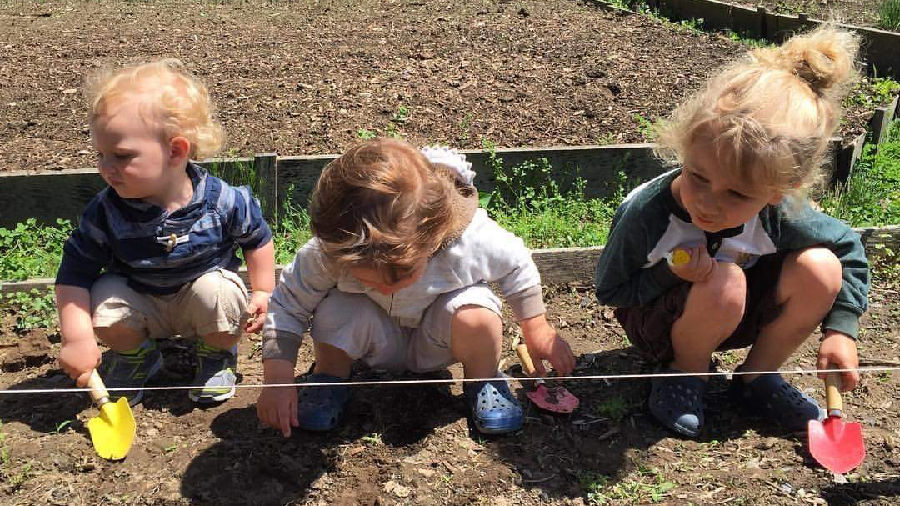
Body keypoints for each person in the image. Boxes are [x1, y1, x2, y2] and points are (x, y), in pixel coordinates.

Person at [594, 27, 869, 437]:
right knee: (724, 280)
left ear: (778, 192)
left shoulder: (780, 215)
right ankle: (684, 374)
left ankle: (757, 378)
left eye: (737, 193)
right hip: (658, 323)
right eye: (698, 176)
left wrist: (841, 330)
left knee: (822, 268)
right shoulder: (647, 215)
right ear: (685, 152)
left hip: (734, 314)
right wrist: (670, 274)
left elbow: (847, 246)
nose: (708, 202)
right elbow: (611, 291)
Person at [257, 138, 575, 437]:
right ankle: (329, 378)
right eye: (365, 278)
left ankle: (483, 379)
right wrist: (277, 378)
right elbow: (288, 304)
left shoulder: (470, 239)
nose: (382, 288)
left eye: (398, 276)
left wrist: (536, 327)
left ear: (430, 239)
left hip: (437, 339)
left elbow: (517, 264)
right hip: (375, 340)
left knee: (476, 312)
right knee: (335, 308)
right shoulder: (332, 250)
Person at [55, 59, 275, 405]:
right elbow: (74, 274)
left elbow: (257, 238)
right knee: (104, 294)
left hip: (201, 305)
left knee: (220, 290)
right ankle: (138, 355)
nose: (106, 168)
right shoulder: (106, 212)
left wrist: (262, 290)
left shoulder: (221, 200)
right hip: (142, 302)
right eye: (101, 154)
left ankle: (215, 355)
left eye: (121, 155)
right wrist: (76, 337)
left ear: (175, 151)